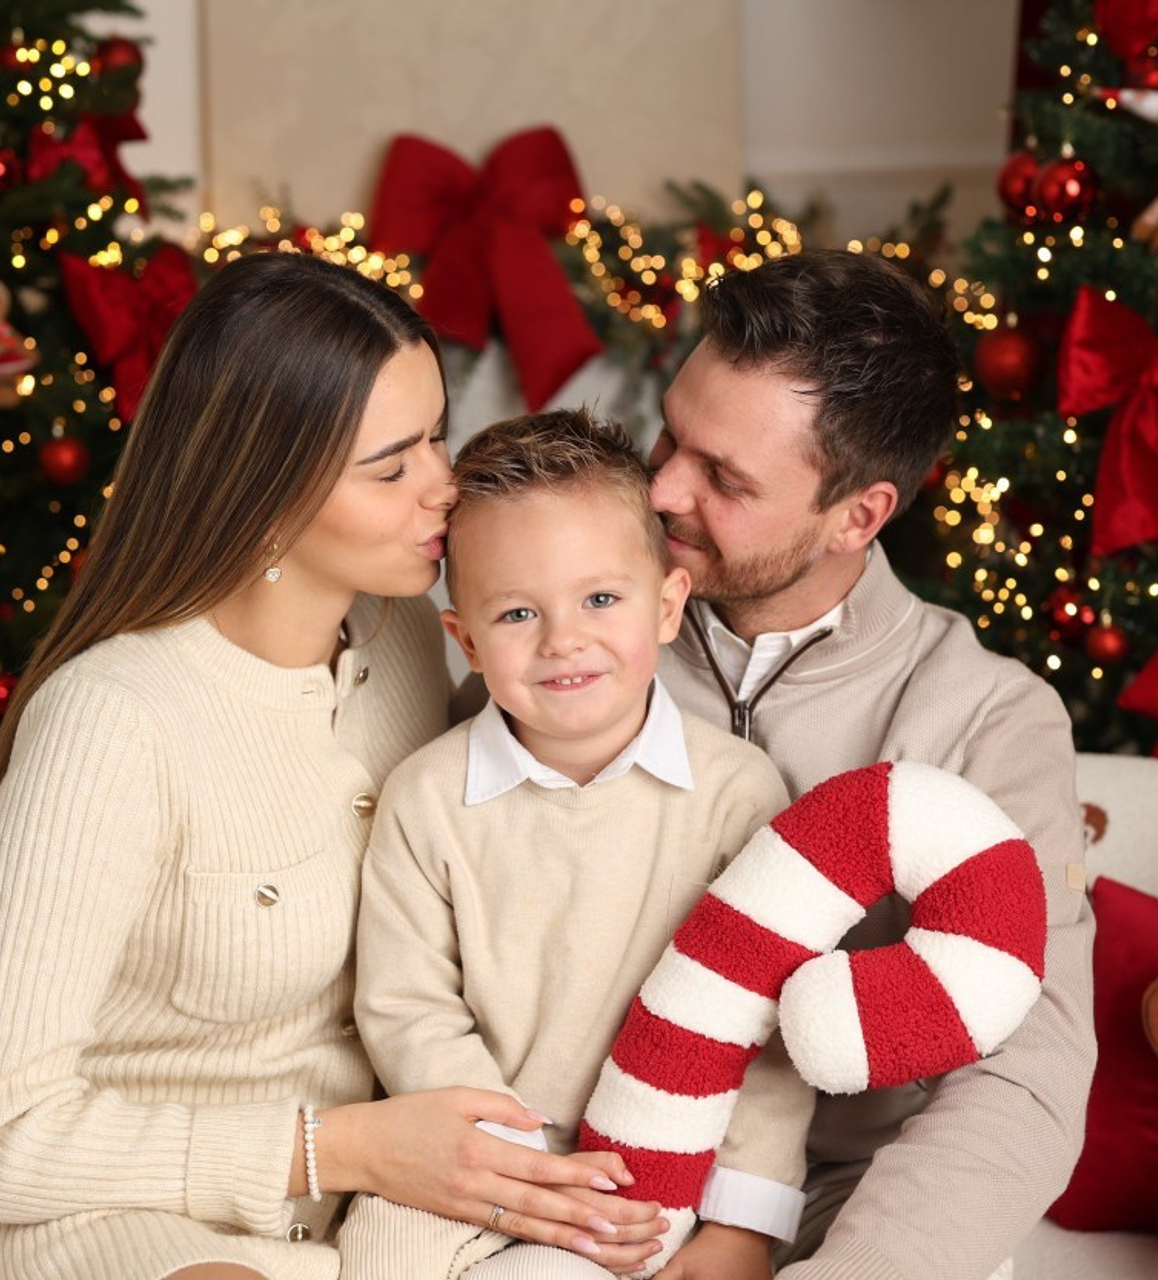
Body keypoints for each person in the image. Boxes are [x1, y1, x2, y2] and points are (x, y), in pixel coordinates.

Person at [0, 254, 663, 1280]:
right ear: (261, 491)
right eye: (390, 468)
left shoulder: (400, 634)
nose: (444, 487)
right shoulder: (111, 722)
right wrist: (336, 1144)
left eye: (436, 434)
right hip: (85, 1215)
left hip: (350, 1221)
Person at [649, 248, 1095, 1280]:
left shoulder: (992, 718)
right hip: (599, 1176)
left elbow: (1025, 1073)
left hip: (839, 1208)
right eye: (670, 434)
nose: (663, 487)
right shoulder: (577, 624)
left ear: (857, 515)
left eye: (722, 478)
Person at [341, 409, 811, 1280]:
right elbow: (408, 1009)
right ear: (468, 642)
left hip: (661, 1176)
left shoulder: (737, 793)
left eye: (601, 598)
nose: (564, 640)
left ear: (667, 605)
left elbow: (771, 1030)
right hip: (474, 1162)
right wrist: (515, 1163)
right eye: (518, 612)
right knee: (377, 1257)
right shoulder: (428, 799)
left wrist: (744, 1223)